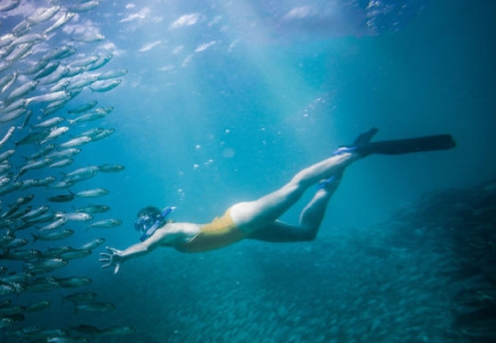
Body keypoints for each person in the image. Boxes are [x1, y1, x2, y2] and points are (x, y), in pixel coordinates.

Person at [99, 128, 456, 273]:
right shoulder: (168, 238)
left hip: (240, 221)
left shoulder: (165, 233)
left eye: (144, 227)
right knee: (306, 234)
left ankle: (349, 153)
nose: (145, 233)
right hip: (245, 230)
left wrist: (123, 255)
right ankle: (332, 180)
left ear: (153, 223)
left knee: (295, 186)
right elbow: (152, 245)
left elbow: (145, 247)